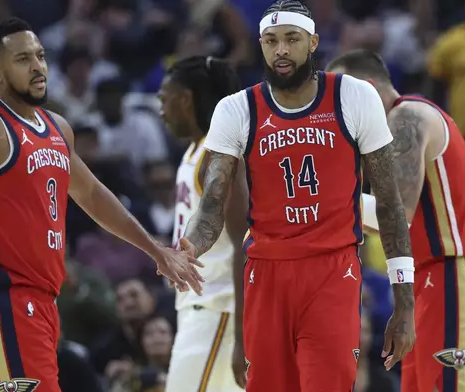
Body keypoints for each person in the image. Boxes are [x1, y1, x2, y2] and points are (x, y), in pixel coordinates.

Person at [0, 17, 204, 392]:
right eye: (23, 59)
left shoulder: (57, 128)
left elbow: (93, 195)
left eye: (40, 55)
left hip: (44, 304)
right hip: (0, 303)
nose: (37, 66)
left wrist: (155, 250)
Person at [178, 1, 417, 391]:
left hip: (331, 270)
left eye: (292, 39)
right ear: (261, 46)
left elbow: (389, 203)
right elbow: (211, 205)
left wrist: (404, 303)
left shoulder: (353, 96)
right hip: (266, 273)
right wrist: (190, 247)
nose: (281, 50)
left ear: (313, 42)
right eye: (271, 41)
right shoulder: (237, 109)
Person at [326, 49, 465, 392]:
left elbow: (397, 216)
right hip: (426, 277)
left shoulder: (407, 117)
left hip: (456, 273)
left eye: (340, 101)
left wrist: (312, 206)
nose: (336, 114)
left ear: (365, 88)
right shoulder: (389, 131)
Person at [157, 56, 249, 392]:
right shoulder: (194, 152)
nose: (161, 111)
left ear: (186, 99)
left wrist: (243, 335)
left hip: (220, 311)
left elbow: (245, 243)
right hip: (199, 312)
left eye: (164, 100)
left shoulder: (218, 155)